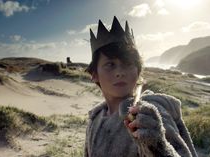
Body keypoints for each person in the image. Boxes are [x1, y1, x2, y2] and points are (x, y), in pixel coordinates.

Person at [84, 16, 198, 157]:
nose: (120, 72)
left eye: (127, 63)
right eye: (110, 64)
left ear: (138, 72)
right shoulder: (95, 119)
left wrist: (157, 144)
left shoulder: (149, 115)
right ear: (94, 74)